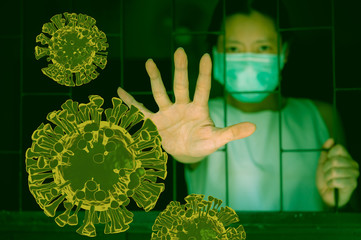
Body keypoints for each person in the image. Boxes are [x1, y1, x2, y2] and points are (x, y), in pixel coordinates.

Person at [117, 0, 359, 211]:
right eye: (234, 49)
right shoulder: (197, 118)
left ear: (284, 52)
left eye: (263, 48)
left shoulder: (320, 116)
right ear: (215, 52)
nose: (248, 61)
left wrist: (337, 198)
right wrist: (181, 153)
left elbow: (348, 204)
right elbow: (189, 151)